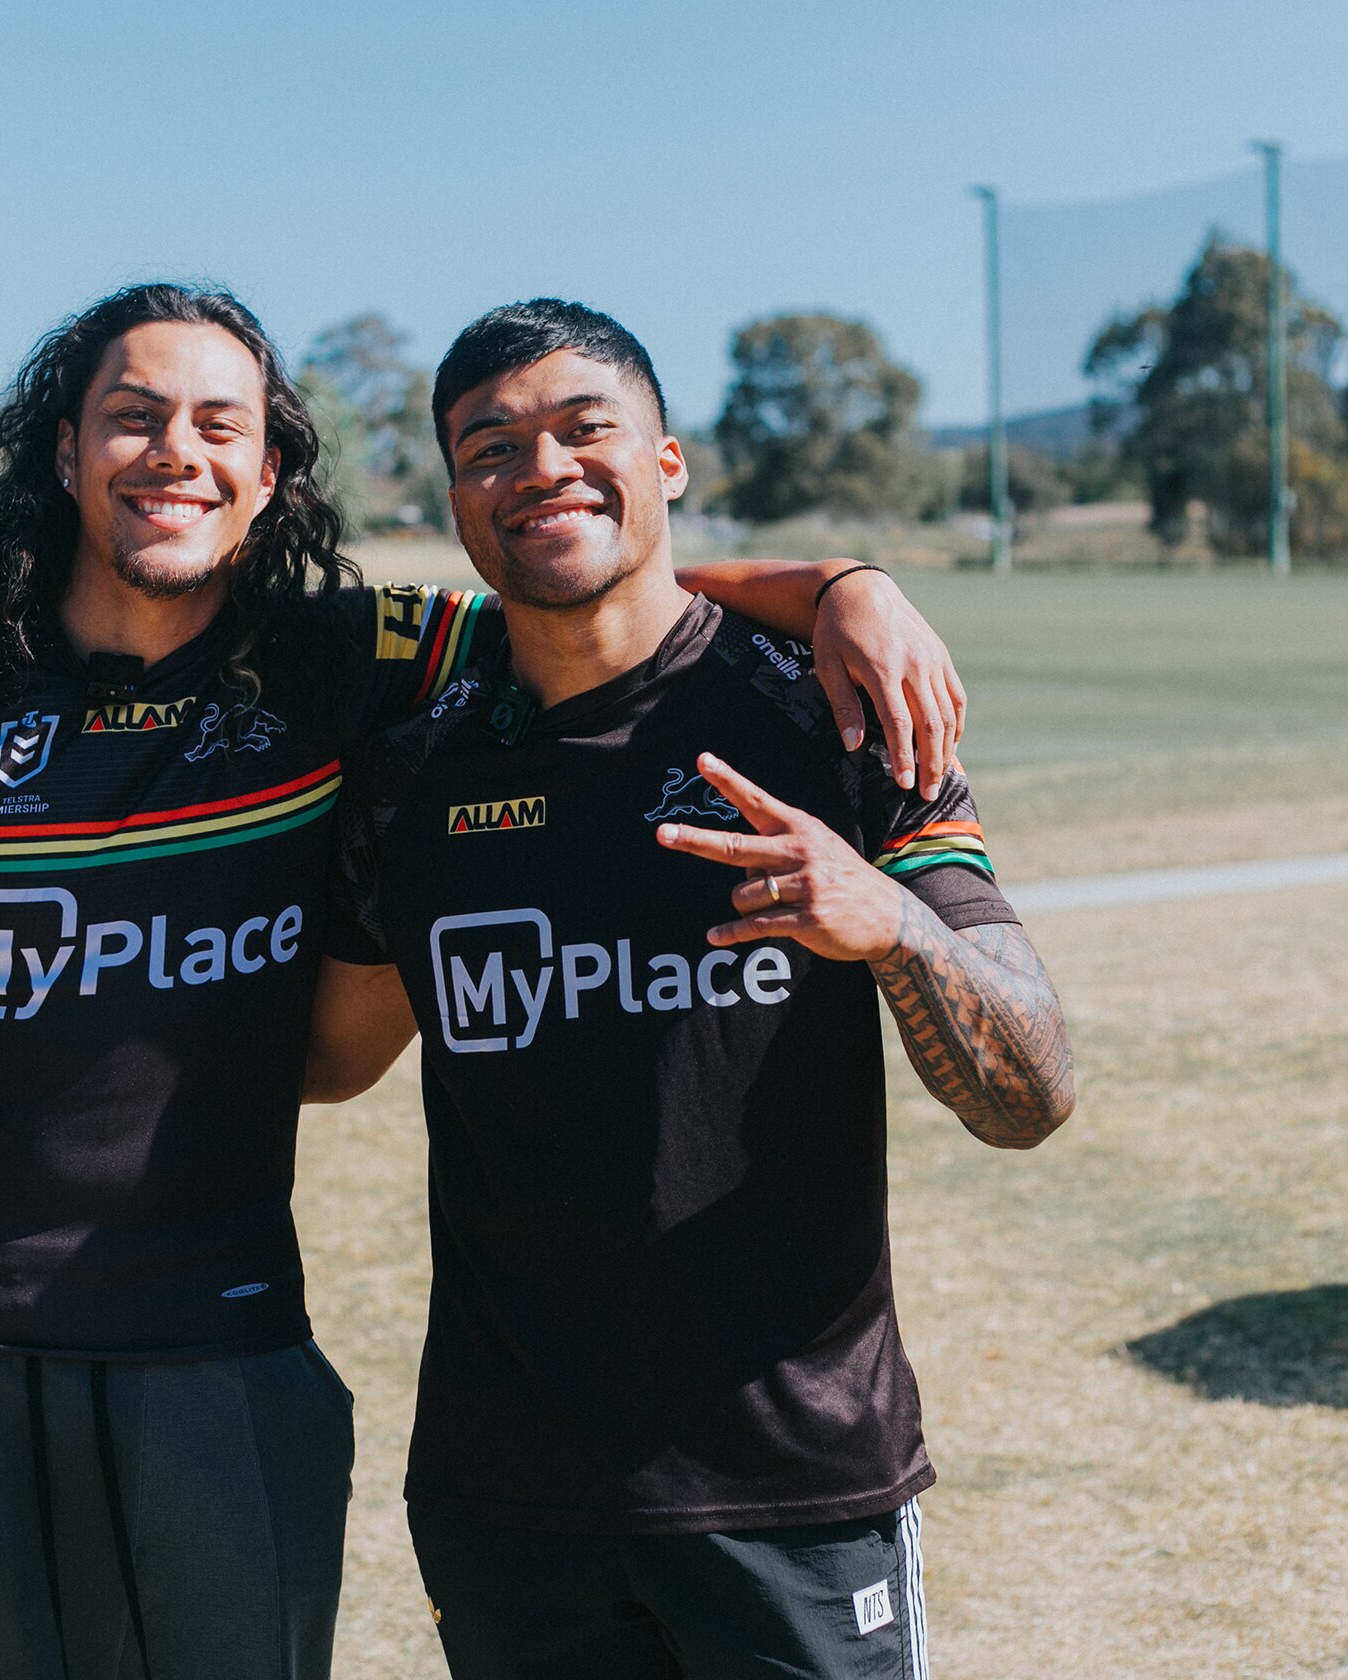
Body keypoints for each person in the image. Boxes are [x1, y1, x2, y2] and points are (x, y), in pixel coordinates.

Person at [0, 280, 972, 1680]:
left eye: (219, 423)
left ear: (269, 467)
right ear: (62, 451)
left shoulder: (343, 663)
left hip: (223, 1363)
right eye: (132, 417)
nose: (176, 450)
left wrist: (844, 585)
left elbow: (588, 581)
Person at [305, 299, 1076, 1679]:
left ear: (668, 462)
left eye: (585, 428)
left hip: (793, 1487)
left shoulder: (834, 717)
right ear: (455, 498)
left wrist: (893, 923)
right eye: (491, 447)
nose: (540, 468)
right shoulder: (413, 775)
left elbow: (1032, 1096)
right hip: (509, 1501)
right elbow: (328, 1057)